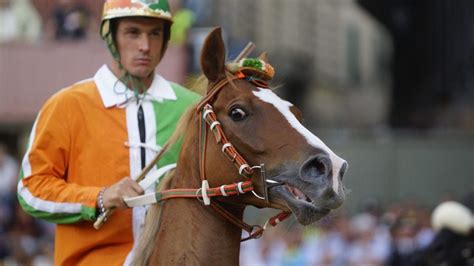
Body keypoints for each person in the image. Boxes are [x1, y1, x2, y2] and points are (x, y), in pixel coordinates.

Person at [17, 0, 200, 265]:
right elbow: (30, 191)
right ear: (110, 35)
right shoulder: (66, 104)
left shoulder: (191, 108)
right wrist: (99, 197)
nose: (145, 46)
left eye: (155, 33)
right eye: (133, 32)